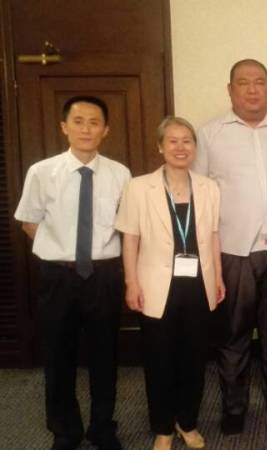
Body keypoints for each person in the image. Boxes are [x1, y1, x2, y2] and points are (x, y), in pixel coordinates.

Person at [14, 95, 130, 450]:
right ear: (64, 127)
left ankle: (102, 428)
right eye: (78, 121)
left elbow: (127, 226)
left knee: (104, 356)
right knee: (58, 355)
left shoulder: (120, 174)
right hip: (58, 277)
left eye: (94, 122)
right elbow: (29, 222)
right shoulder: (42, 172)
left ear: (106, 130)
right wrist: (62, 251)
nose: (86, 129)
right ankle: (65, 430)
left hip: (104, 275)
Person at [193, 58, 267, 434]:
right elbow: (198, 193)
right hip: (233, 251)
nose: (252, 89)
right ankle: (234, 407)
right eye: (243, 82)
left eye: (260, 82)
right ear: (230, 90)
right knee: (233, 335)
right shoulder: (209, 135)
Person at [115, 117, 225, 450]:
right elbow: (130, 238)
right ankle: (163, 427)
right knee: (159, 359)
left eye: (187, 141)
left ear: (195, 147)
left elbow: (213, 236)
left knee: (194, 358)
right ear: (160, 146)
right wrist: (131, 282)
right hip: (155, 285)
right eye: (173, 141)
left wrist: (219, 277)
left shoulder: (208, 187)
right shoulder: (138, 187)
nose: (180, 147)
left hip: (199, 285)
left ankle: (187, 422)